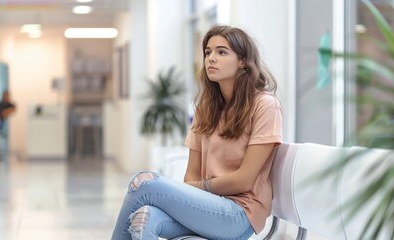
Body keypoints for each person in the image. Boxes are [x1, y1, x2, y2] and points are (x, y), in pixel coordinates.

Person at [111, 25, 283, 240]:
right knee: (144, 217)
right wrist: (196, 191)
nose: (211, 58)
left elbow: (245, 180)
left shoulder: (265, 106)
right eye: (208, 52)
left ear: (242, 61)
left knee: (144, 183)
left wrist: (197, 189)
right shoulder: (206, 108)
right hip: (205, 207)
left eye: (222, 52)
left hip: (239, 214)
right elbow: (191, 173)